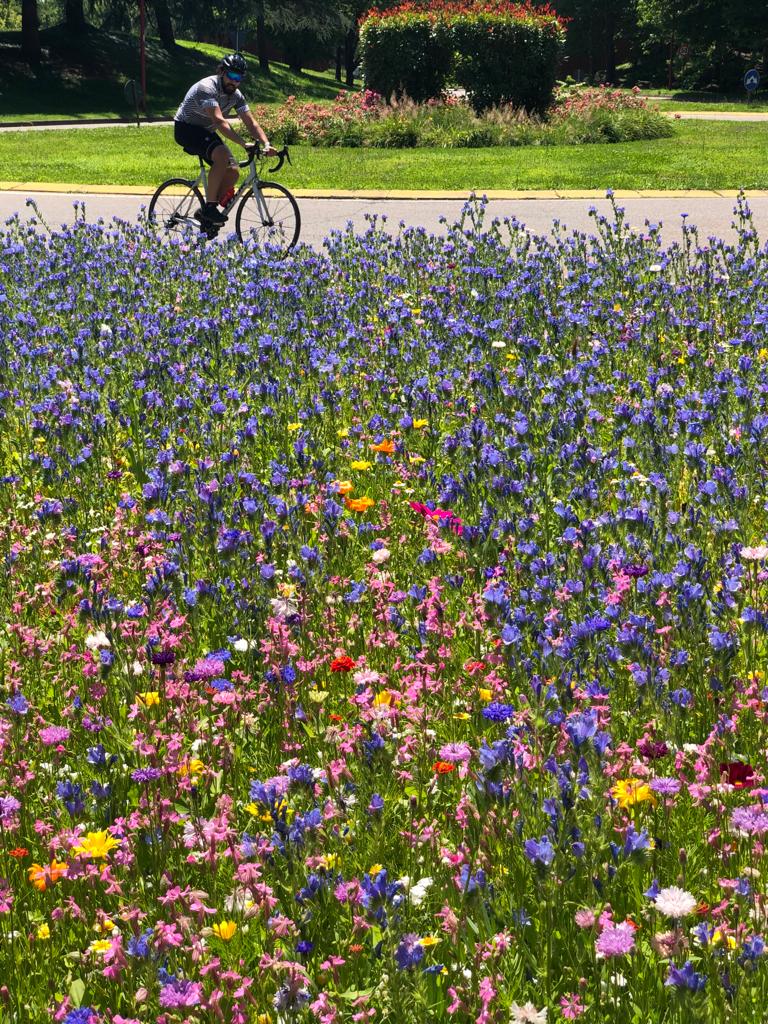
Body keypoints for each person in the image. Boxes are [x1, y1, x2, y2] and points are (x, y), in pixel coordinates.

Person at [173, 53, 277, 226]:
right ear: (221, 72)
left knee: (233, 170)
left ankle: (205, 213)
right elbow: (220, 122)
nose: (235, 82)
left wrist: (267, 144)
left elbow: (251, 122)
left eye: (239, 78)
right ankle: (210, 208)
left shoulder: (236, 95)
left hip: (205, 130)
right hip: (186, 128)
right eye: (232, 76)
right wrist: (244, 144)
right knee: (221, 156)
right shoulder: (207, 88)